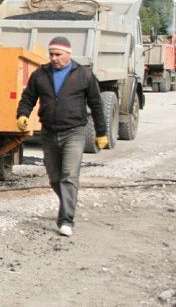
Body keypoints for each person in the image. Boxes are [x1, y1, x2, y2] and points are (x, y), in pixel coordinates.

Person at [16, 36, 109, 237]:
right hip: (48, 133)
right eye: (51, 54)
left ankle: (66, 219)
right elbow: (28, 98)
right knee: (54, 177)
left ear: (68, 54)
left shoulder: (84, 75)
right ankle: (68, 200)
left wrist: (101, 133)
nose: (54, 58)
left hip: (74, 133)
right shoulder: (40, 75)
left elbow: (96, 105)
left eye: (58, 54)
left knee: (69, 175)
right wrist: (22, 114)